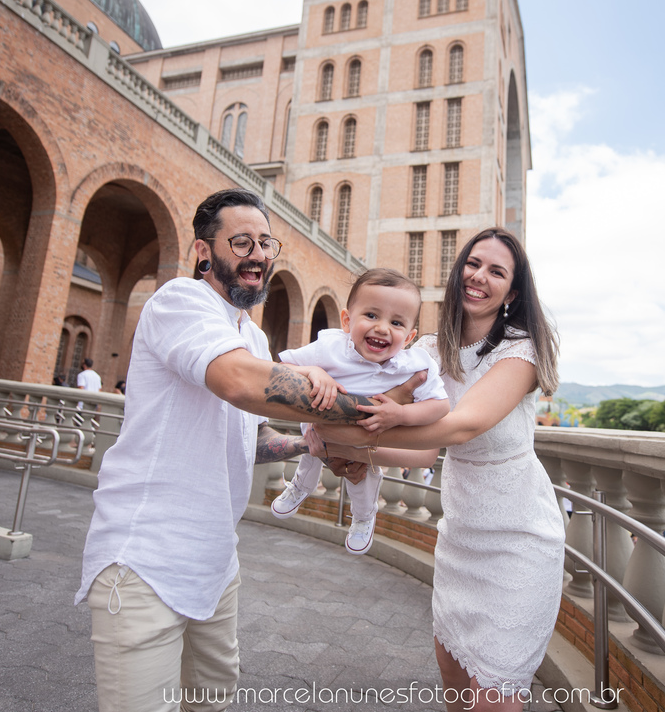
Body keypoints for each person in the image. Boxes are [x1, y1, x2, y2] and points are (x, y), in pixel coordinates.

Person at [74, 188, 418, 712]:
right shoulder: (180, 301)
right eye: (241, 242)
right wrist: (377, 410)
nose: (258, 254)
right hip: (145, 558)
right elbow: (236, 383)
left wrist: (308, 445)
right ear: (203, 252)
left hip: (215, 560)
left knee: (212, 700)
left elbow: (249, 436)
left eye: (265, 243)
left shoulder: (251, 338)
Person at [314, 227, 564, 712]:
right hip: (460, 539)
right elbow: (420, 454)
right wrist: (348, 450)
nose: (479, 276)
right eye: (473, 264)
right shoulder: (428, 351)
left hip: (520, 541)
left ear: (511, 292)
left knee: (495, 700)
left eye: (496, 271)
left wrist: (387, 420)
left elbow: (459, 428)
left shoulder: (523, 349)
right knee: (453, 685)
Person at [270, 268, 449, 555]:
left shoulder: (413, 365)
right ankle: (300, 487)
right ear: (346, 320)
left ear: (410, 336)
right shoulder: (330, 349)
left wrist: (400, 416)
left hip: (365, 439)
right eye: (371, 315)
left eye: (396, 322)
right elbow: (280, 369)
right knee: (310, 456)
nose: (382, 328)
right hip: (319, 427)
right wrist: (313, 370)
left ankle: (364, 518)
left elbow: (440, 406)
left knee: (363, 482)